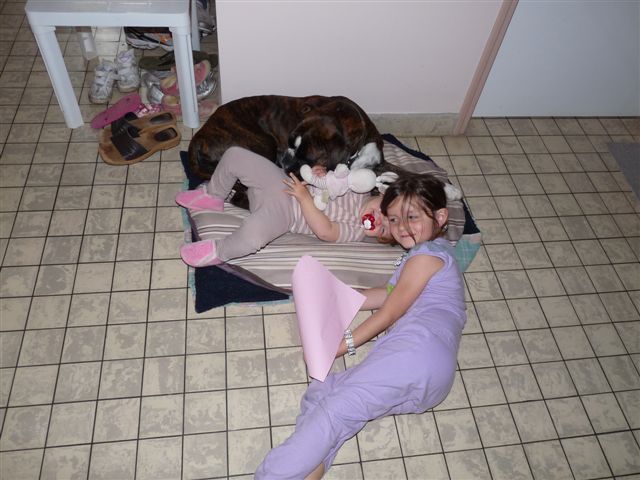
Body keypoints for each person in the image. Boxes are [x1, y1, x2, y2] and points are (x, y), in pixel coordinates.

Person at [255, 173, 467, 479]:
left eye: (412, 217)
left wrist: (342, 345)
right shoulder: (435, 257)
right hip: (432, 379)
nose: (401, 227)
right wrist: (333, 295)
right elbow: (386, 295)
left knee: (336, 411)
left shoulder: (426, 256)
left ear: (441, 217)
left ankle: (269, 476)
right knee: (325, 394)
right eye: (393, 219)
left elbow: (390, 312)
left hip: (414, 353)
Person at [176, 146, 392, 266]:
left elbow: (326, 231)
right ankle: (214, 195)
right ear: (383, 193)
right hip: (282, 182)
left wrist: (305, 199)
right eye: (386, 213)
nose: (378, 220)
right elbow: (331, 181)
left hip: (286, 213)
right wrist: (321, 174)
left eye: (382, 230)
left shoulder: (356, 230)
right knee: (234, 155)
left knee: (253, 236)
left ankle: (219, 251)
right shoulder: (359, 184)